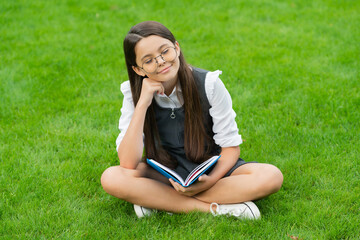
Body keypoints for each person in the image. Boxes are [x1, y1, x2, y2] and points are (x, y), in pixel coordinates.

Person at [101, 21, 283, 219]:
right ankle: (215, 209)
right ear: (138, 70)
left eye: (165, 51)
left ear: (177, 48)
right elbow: (127, 163)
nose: (161, 61)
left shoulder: (210, 84)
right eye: (149, 60)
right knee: (111, 177)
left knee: (271, 176)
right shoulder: (132, 92)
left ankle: (159, 201)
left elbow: (230, 148)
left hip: (210, 169)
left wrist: (211, 180)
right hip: (165, 174)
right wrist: (142, 103)